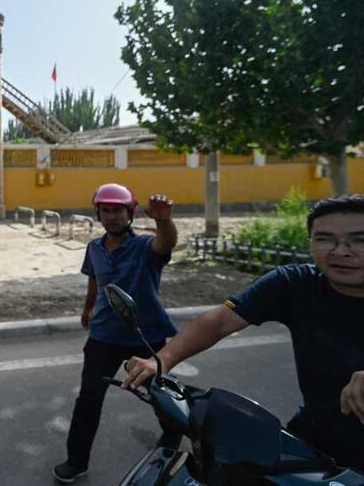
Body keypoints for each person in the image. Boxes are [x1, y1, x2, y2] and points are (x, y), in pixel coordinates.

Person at [122, 194, 364, 470]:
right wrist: (161, 360)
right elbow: (220, 321)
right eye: (324, 239)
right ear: (309, 243)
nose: (341, 251)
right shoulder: (295, 284)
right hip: (312, 441)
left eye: (360, 240)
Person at [53, 183, 179, 483]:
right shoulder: (94, 248)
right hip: (102, 338)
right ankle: (76, 461)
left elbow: (165, 244)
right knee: (88, 399)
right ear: (98, 213)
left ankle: (174, 434)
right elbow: (95, 280)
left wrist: (164, 220)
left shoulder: (144, 246)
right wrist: (87, 309)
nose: (112, 217)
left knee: (160, 396)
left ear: (130, 213)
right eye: (106, 210)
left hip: (144, 337)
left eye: (118, 210)